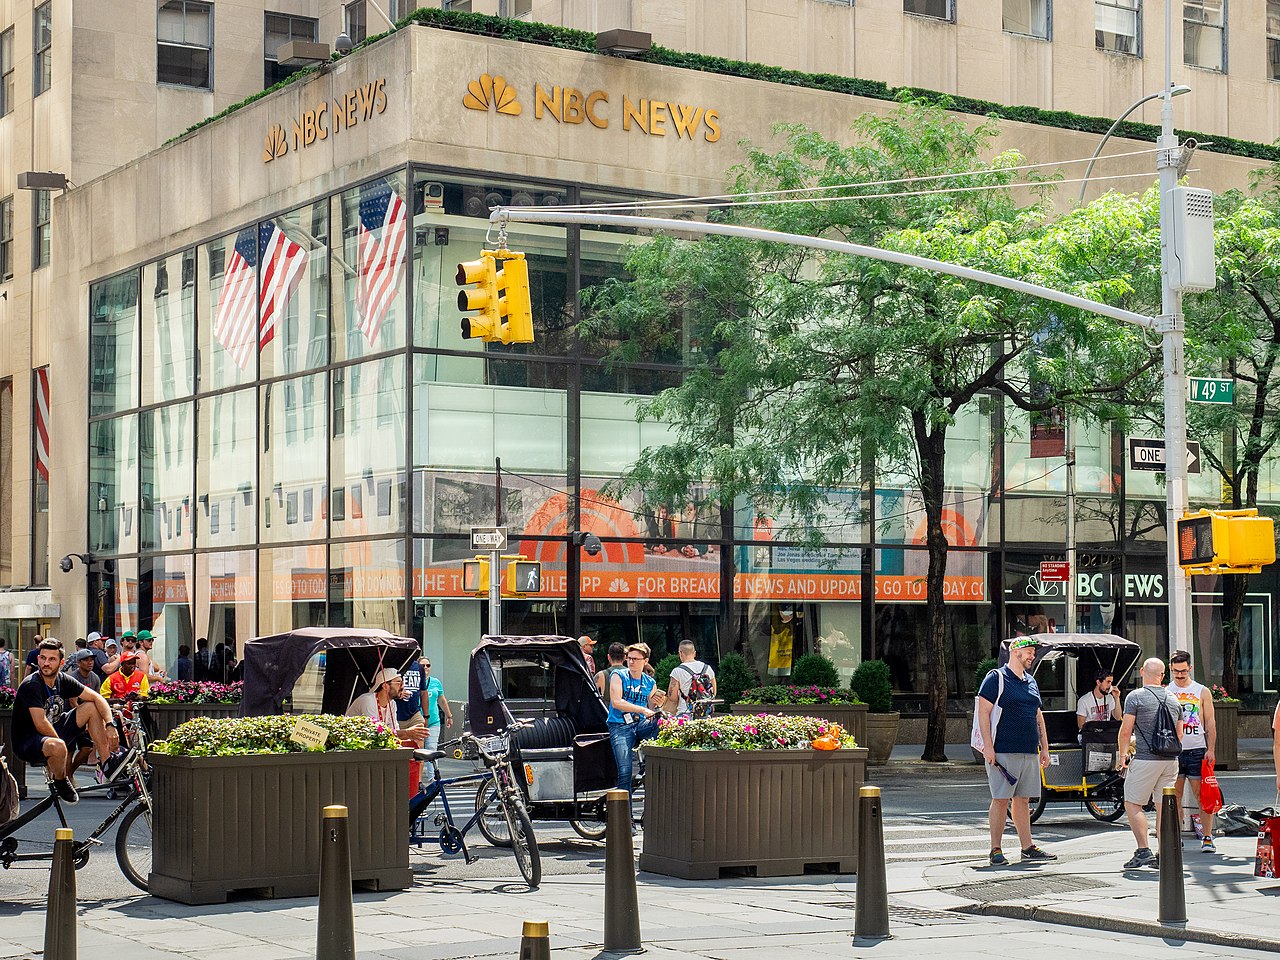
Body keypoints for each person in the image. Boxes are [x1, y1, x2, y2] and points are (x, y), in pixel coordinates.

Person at [975, 636, 1055, 866]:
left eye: (1033, 652)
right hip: (1003, 749)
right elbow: (983, 712)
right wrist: (988, 747)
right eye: (1029, 651)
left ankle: (1027, 847)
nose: (1032, 655)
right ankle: (996, 850)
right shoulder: (995, 678)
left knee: (1023, 800)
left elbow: (1038, 715)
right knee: (1000, 799)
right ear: (1015, 652)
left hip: (1028, 750)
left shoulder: (1031, 681)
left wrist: (1044, 748)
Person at [12, 639, 119, 803]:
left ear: (61, 662)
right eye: (42, 658)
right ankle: (60, 781)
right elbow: (40, 723)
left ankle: (107, 764)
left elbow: (98, 697)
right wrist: (61, 747)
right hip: (29, 741)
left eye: (51, 659)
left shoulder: (63, 679)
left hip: (54, 731)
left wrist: (111, 725)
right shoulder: (31, 685)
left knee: (91, 706)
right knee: (58, 746)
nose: (46, 663)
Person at [1116, 657, 1185, 869]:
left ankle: (1143, 850)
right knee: (1164, 808)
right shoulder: (1174, 699)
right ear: (1163, 676)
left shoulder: (1136, 697)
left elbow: (1126, 730)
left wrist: (1122, 756)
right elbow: (1179, 734)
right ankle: (1164, 854)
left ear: (1143, 671)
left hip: (1146, 759)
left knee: (1133, 803)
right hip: (1170, 761)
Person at [606, 644, 665, 828]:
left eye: (635, 659)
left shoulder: (649, 682)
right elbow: (617, 702)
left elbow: (653, 709)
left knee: (660, 721)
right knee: (624, 772)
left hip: (640, 725)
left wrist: (659, 704)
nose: (630, 661)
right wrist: (642, 709)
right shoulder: (619, 675)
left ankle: (649, 762)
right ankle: (626, 821)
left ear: (645, 661)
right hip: (620, 726)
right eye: (629, 658)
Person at [1168, 649, 1217, 852]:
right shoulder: (1167, 691)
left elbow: (1210, 722)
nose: (1179, 675)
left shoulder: (1201, 691)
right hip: (1175, 750)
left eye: (1183, 671)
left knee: (1202, 795)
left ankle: (1207, 836)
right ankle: (1176, 836)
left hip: (1197, 748)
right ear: (1170, 669)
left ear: (1190, 668)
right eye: (1176, 671)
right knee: (1175, 796)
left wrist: (1211, 748)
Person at [347, 668, 426, 745]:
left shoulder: (392, 704)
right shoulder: (368, 701)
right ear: (385, 686)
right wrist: (407, 733)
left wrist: (410, 736)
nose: (402, 686)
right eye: (399, 682)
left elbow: (394, 732)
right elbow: (374, 734)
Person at [397, 656, 453, 752]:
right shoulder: (398, 668)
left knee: (430, 748)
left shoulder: (435, 682)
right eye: (423, 665)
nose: (425, 667)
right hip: (403, 714)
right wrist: (399, 694)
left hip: (431, 719)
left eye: (428, 665)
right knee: (404, 746)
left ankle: (425, 766)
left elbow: (441, 700)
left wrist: (449, 716)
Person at [666, 640, 717, 717]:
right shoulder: (707, 668)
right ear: (695, 653)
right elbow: (714, 692)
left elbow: (672, 698)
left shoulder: (677, 671)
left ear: (680, 653)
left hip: (685, 713)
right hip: (705, 714)